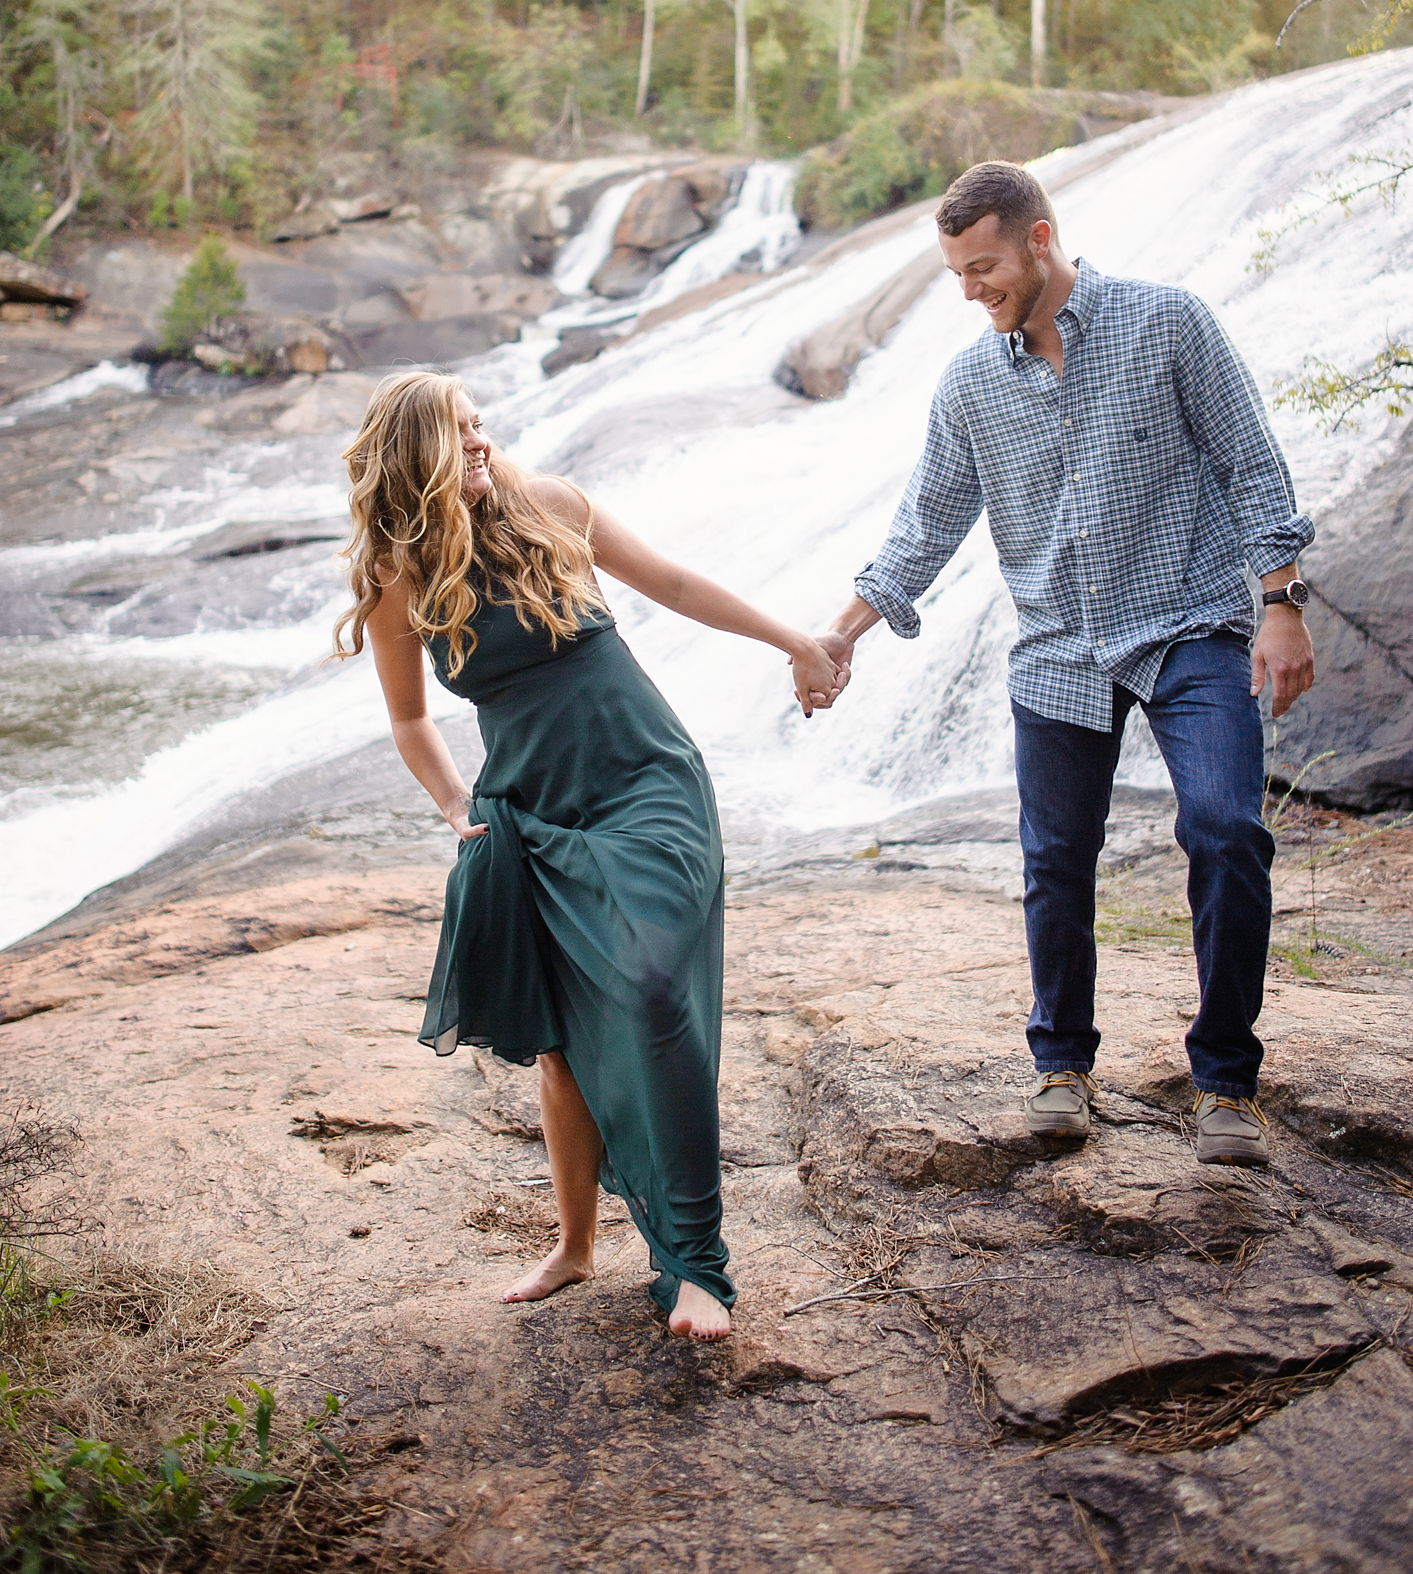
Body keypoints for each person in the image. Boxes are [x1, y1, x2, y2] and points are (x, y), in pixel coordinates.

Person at [813, 161, 1316, 1170]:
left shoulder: (1168, 323)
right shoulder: (970, 384)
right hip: (1058, 650)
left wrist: (1282, 603)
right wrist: (842, 631)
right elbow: (927, 524)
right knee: (1055, 863)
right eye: (957, 273)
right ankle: (1062, 1067)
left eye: (984, 267)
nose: (971, 291)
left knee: (1227, 828)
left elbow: (1252, 461)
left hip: (1192, 626)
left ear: (1039, 239)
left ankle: (1224, 1081)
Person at [334, 369, 841, 1340]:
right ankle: (573, 1246)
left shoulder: (554, 505)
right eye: (460, 431)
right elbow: (408, 716)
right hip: (533, 814)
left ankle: (697, 1268)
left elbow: (679, 583)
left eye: (482, 425)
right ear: (415, 455)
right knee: (562, 1042)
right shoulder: (401, 576)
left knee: (650, 987)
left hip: (647, 784)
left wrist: (794, 640)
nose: (481, 442)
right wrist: (453, 802)